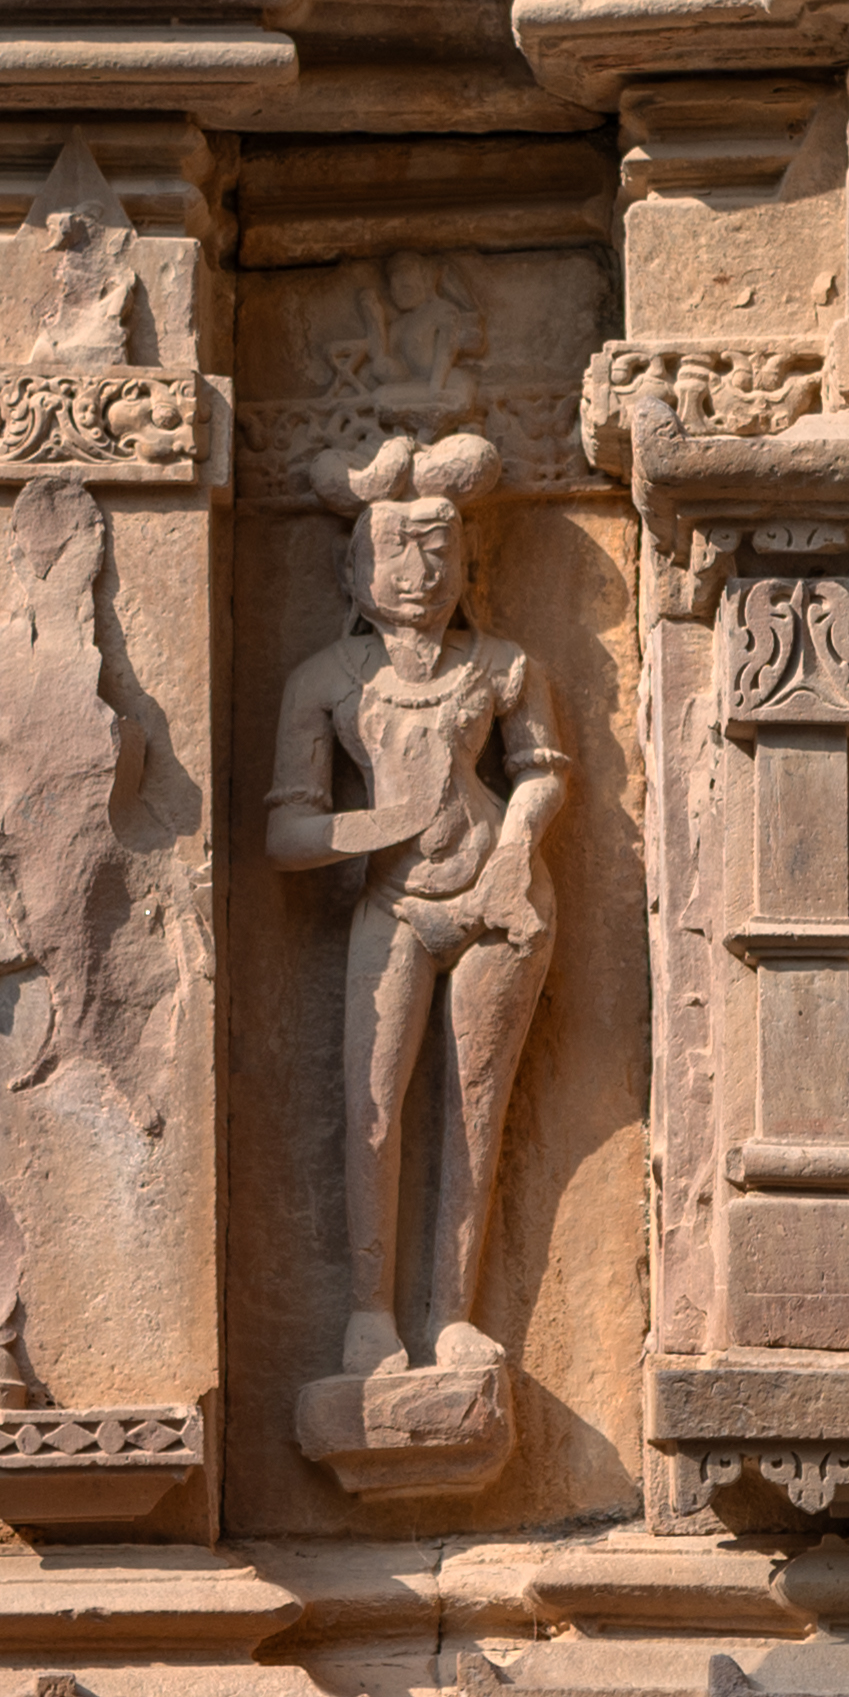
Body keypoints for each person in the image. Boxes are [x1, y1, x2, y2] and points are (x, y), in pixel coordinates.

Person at [266, 433, 567, 1405]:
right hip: (391, 903)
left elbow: (540, 772)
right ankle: (369, 1312)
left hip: (495, 899)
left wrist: (517, 849)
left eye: (440, 552)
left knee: (475, 1111)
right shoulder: (324, 679)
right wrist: (368, 825)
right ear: (355, 566)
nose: (420, 571)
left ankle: (452, 1310)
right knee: (376, 1107)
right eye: (397, 552)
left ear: (468, 563)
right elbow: (286, 830)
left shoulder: (504, 662)